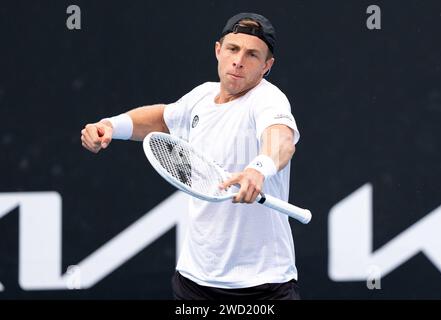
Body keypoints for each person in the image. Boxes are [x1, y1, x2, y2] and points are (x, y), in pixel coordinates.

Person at [81, 12, 301, 300]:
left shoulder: (268, 99)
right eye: (233, 49)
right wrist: (111, 125)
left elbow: (281, 139)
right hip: (194, 282)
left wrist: (258, 169)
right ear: (218, 50)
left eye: (252, 54)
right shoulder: (200, 97)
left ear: (266, 66)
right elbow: (162, 119)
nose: (238, 61)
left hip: (264, 286)